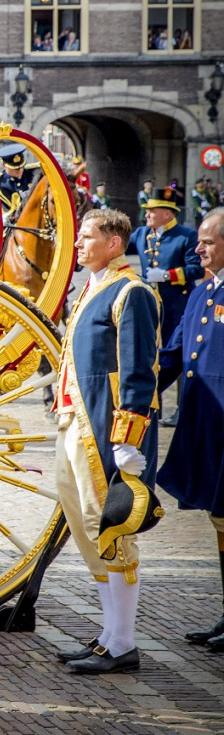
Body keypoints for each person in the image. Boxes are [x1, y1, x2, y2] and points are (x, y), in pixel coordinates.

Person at [52, 209, 160, 675]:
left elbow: (138, 368)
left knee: (112, 528)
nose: (78, 245)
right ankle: (109, 634)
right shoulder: (93, 286)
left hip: (102, 426)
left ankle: (124, 643)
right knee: (85, 526)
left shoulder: (131, 291)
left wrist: (128, 437)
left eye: (88, 237)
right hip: (74, 419)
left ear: (114, 243)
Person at [155, 208, 224, 650]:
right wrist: (134, 388)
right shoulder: (202, 293)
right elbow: (174, 354)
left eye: (209, 242)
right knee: (219, 521)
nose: (198, 249)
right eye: (199, 241)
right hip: (206, 426)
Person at [128, 189, 202, 426]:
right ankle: (151, 405)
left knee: (179, 355)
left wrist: (168, 275)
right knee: (150, 355)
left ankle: (182, 408)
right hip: (149, 307)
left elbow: (197, 269)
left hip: (177, 307)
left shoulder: (186, 236)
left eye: (153, 210)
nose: (147, 214)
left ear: (168, 214)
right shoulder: (141, 234)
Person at [0, 144, 36, 223]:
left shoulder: (33, 173)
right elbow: (8, 211)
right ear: (3, 165)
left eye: (21, 167)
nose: (20, 171)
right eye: (15, 169)